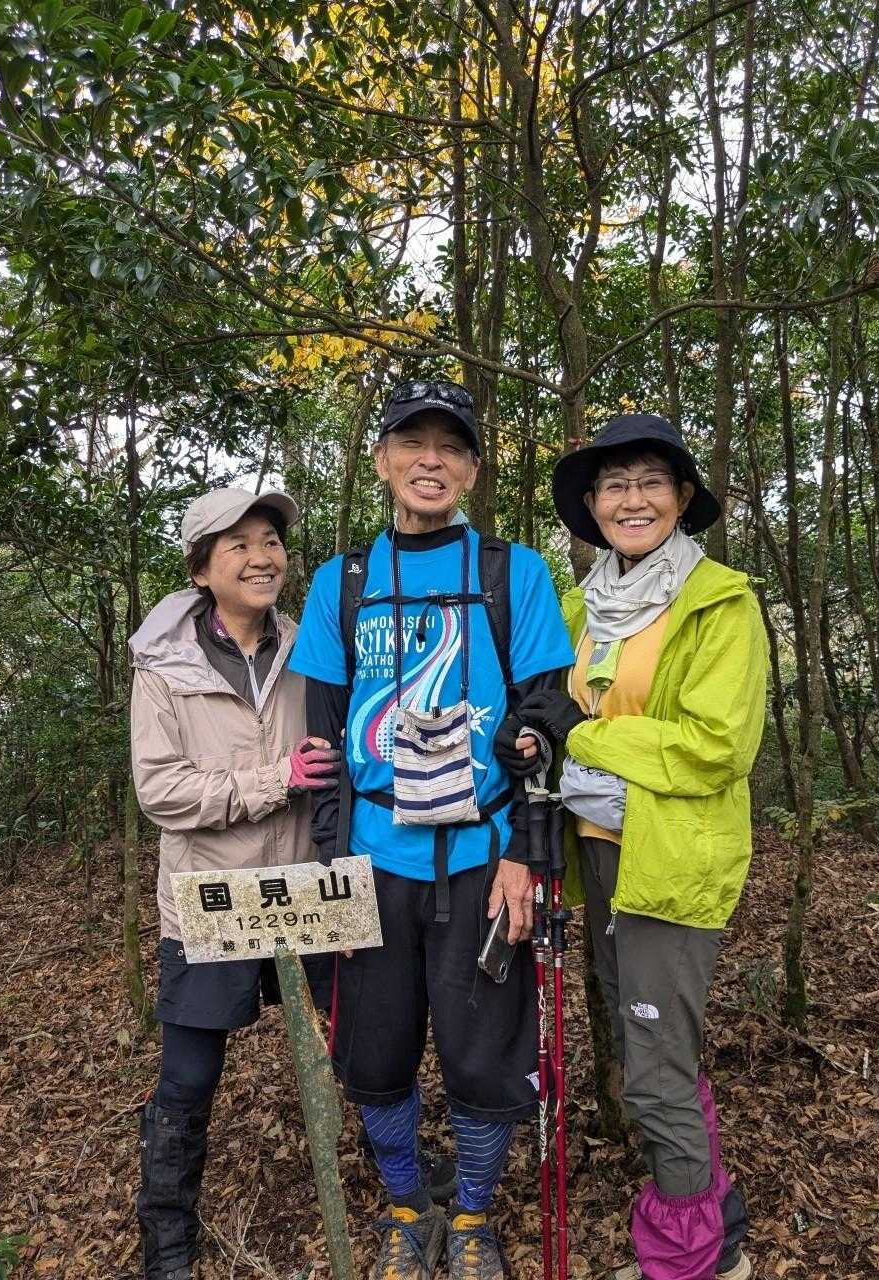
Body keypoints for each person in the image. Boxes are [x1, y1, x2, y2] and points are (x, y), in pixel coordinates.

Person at [288, 380, 574, 1280]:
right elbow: (324, 744)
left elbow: (547, 718)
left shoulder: (513, 573)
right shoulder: (343, 584)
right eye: (412, 443)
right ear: (381, 461)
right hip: (374, 859)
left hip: (485, 858)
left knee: (485, 1056)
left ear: (473, 470)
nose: (431, 461)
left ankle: (475, 1215)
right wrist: (333, 869)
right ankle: (408, 1208)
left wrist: (526, 857)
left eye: (451, 447)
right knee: (374, 1053)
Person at [515, 414, 767, 1280]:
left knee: (654, 1072)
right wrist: (537, 735)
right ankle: (717, 1231)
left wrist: (580, 735)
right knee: (650, 1053)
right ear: (591, 505)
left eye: (651, 481)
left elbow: (716, 745)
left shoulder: (720, 602)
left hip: (673, 860)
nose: (632, 499)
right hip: (598, 853)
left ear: (682, 497)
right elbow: (552, 713)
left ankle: (688, 1261)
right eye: (613, 485)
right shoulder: (579, 607)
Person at [130, 487, 340, 1280]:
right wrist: (273, 780)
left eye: (271, 542)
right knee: (188, 1078)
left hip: (306, 888)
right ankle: (166, 1234)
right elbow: (161, 792)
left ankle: (399, 1183)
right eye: (239, 545)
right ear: (201, 569)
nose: (261, 558)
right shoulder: (164, 665)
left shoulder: (310, 646)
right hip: (210, 897)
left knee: (359, 1039)